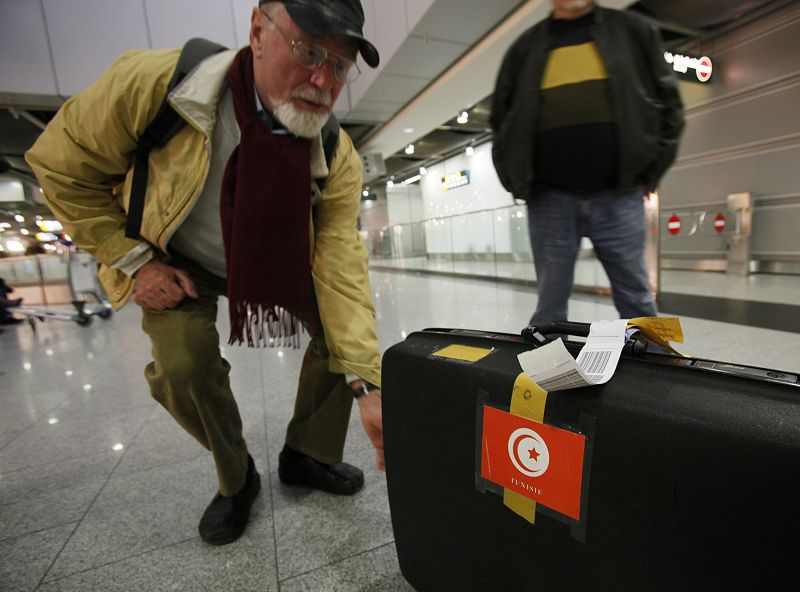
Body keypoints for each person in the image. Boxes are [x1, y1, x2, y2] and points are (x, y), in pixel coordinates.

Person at [26, 0, 384, 546]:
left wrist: (367, 383)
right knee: (182, 366)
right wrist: (134, 260)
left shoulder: (336, 151)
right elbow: (60, 166)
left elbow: (340, 266)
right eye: (310, 51)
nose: (322, 79)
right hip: (174, 257)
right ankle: (236, 477)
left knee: (340, 340)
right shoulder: (151, 86)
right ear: (259, 30)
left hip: (274, 258)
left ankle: (309, 453)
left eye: (340, 65)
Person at [490, 0, 685, 327]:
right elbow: (502, 122)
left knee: (636, 298)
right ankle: (549, 375)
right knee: (549, 305)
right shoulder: (524, 49)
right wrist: (516, 180)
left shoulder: (633, 31)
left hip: (619, 194)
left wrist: (649, 172)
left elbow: (671, 108)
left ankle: (653, 373)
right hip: (549, 198)